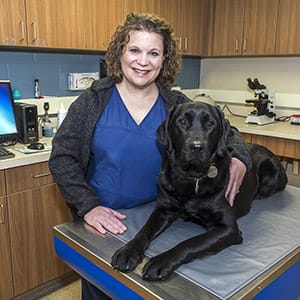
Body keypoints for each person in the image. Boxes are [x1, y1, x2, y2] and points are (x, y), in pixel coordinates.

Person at [49, 12, 250, 300]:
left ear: (164, 59)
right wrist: (88, 206)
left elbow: (227, 133)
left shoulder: (176, 104)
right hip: (105, 220)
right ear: (120, 52)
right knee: (100, 290)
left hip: (161, 218)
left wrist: (241, 158)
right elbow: (62, 156)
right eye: (134, 50)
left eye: (153, 53)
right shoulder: (94, 100)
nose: (143, 61)